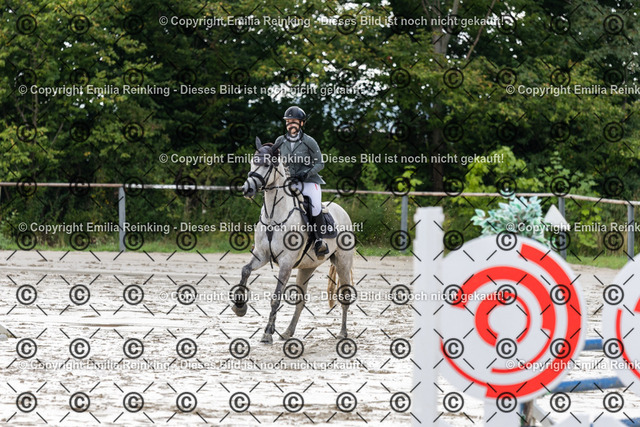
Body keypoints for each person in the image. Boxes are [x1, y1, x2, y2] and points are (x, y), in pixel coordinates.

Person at [275, 106, 329, 259]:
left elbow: (320, 163)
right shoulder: (280, 141)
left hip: (309, 182)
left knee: (315, 206)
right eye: (288, 121)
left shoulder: (309, 141)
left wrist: (306, 173)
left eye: (294, 121)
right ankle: (265, 239)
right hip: (289, 182)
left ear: (302, 123)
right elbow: (274, 160)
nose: (291, 124)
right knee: (273, 201)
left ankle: (319, 240)